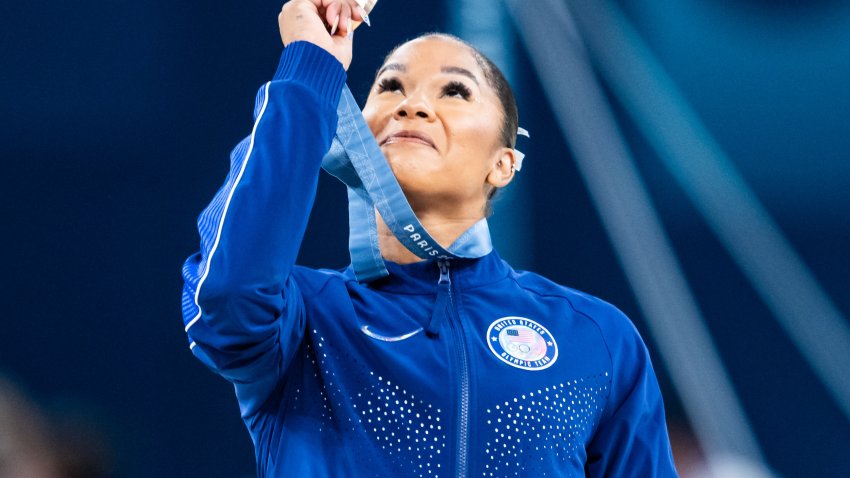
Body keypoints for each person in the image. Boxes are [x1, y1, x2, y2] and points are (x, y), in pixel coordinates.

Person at [180, 0, 678, 476]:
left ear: (502, 165)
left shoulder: (596, 338)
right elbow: (226, 299)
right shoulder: (307, 320)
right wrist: (311, 68)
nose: (412, 106)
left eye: (455, 91)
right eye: (391, 87)